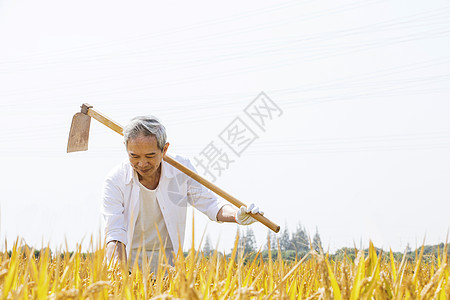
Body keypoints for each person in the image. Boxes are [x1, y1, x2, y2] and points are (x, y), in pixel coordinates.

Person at [102, 115, 262, 272]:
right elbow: (115, 231)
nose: (142, 163)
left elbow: (211, 204)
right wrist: (118, 271)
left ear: (164, 149)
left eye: (150, 156)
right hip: (129, 266)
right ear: (126, 148)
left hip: (170, 269)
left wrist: (237, 215)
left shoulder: (181, 170)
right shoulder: (115, 180)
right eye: (134, 156)